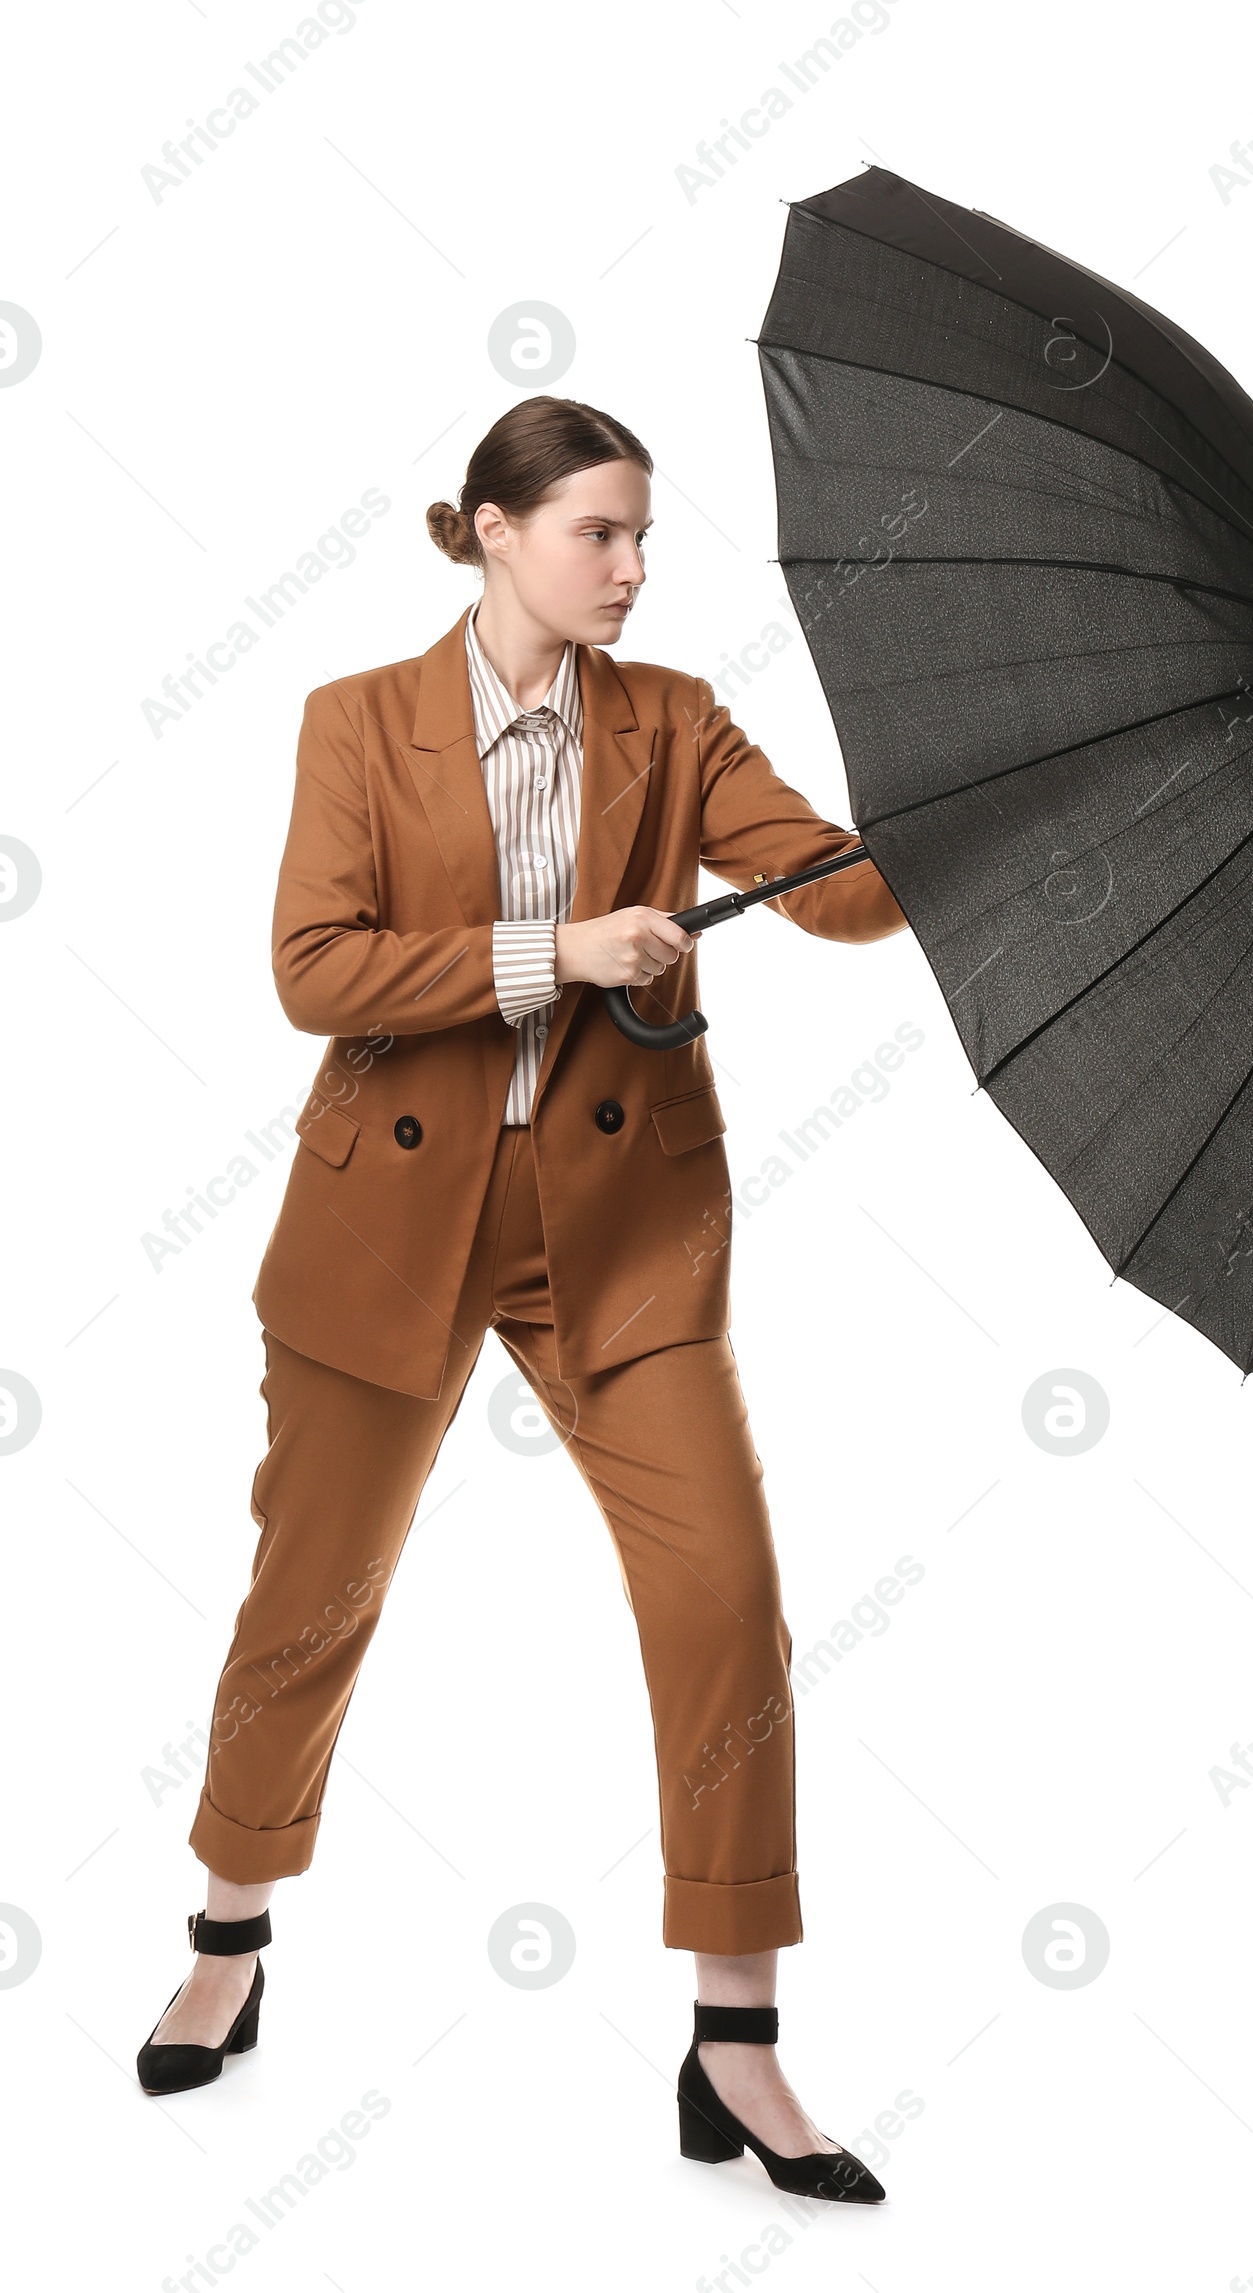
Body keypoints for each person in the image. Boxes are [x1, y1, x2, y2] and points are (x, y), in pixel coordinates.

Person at [133, 395, 909, 2204]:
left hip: (619, 1233)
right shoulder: (357, 722)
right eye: (601, 535)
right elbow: (312, 970)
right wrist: (553, 950)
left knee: (727, 1600)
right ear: (494, 530)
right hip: (389, 1224)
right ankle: (229, 1934)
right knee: (309, 1601)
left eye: (645, 538)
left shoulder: (675, 719)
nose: (635, 570)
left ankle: (739, 2044)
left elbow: (832, 890)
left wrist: (979, 811)